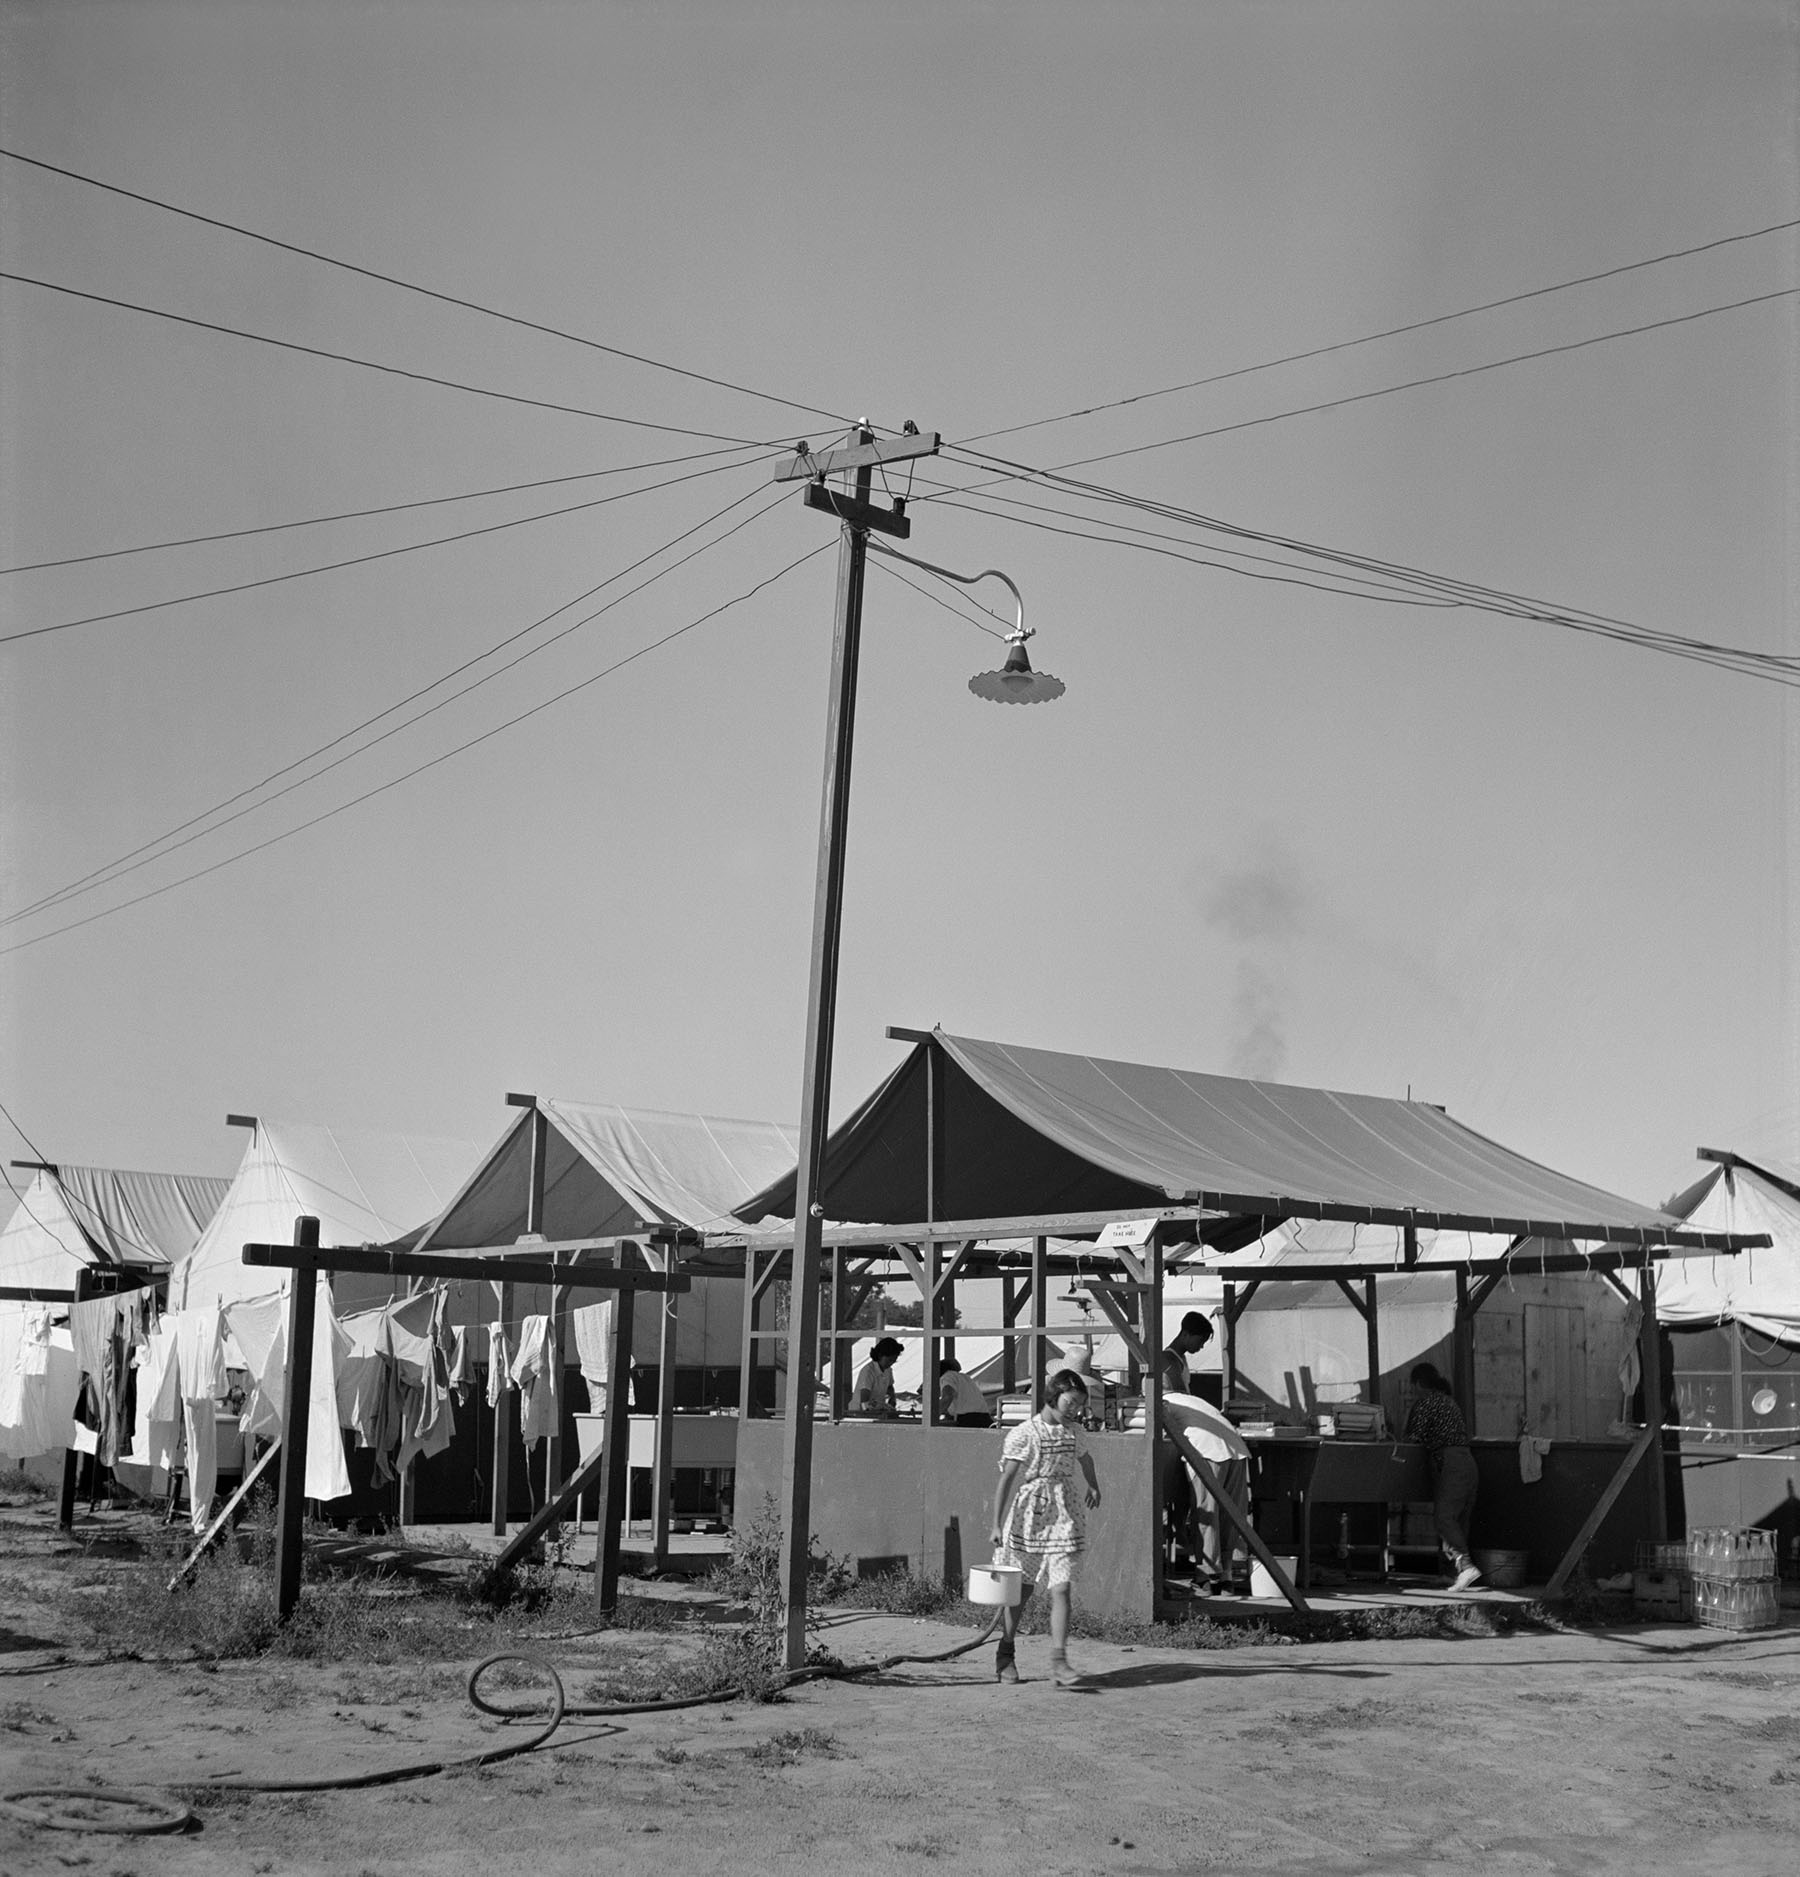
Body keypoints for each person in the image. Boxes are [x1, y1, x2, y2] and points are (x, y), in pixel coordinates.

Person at [990, 1367, 1103, 1688]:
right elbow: (1007, 1478)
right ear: (1054, 1395)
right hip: (1031, 1516)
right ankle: (1005, 1653)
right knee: (1021, 1592)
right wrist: (996, 1524)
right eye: (1072, 1401)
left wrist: (1093, 1485)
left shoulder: (1075, 1432)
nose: (1076, 1408)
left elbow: (1086, 1459)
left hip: (1065, 1517)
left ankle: (1059, 1660)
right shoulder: (1025, 1433)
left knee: (1062, 1587)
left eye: (1080, 1403)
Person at [1159, 1311, 1247, 1592]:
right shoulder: (1167, 1366)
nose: (1200, 1348)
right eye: (1200, 1340)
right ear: (1187, 1333)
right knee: (1228, 1512)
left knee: (1206, 1512)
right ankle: (1225, 1574)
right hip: (1233, 1446)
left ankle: (1207, 1574)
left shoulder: (1171, 1398)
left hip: (1208, 1446)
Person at [1404, 1361, 1482, 1592]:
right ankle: (1451, 1574)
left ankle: (1466, 1566)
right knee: (1458, 1520)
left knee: (1444, 1518)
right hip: (1468, 1462)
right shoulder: (1449, 1402)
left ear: (1418, 1384)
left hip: (1451, 1463)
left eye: (1412, 1386)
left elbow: (1413, 1439)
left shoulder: (1426, 1403)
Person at [850, 1336, 903, 1417]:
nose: (891, 1363)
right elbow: (864, 1403)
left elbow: (890, 1387)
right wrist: (874, 1414)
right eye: (889, 1360)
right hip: (858, 1414)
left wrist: (892, 1400)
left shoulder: (888, 1370)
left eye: (894, 1361)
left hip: (877, 1412)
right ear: (880, 1355)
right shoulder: (868, 1372)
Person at [938, 1356, 992, 1427]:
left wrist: (933, 1415)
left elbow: (947, 1397)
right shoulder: (966, 1377)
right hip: (985, 1418)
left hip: (968, 1420)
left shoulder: (948, 1376)